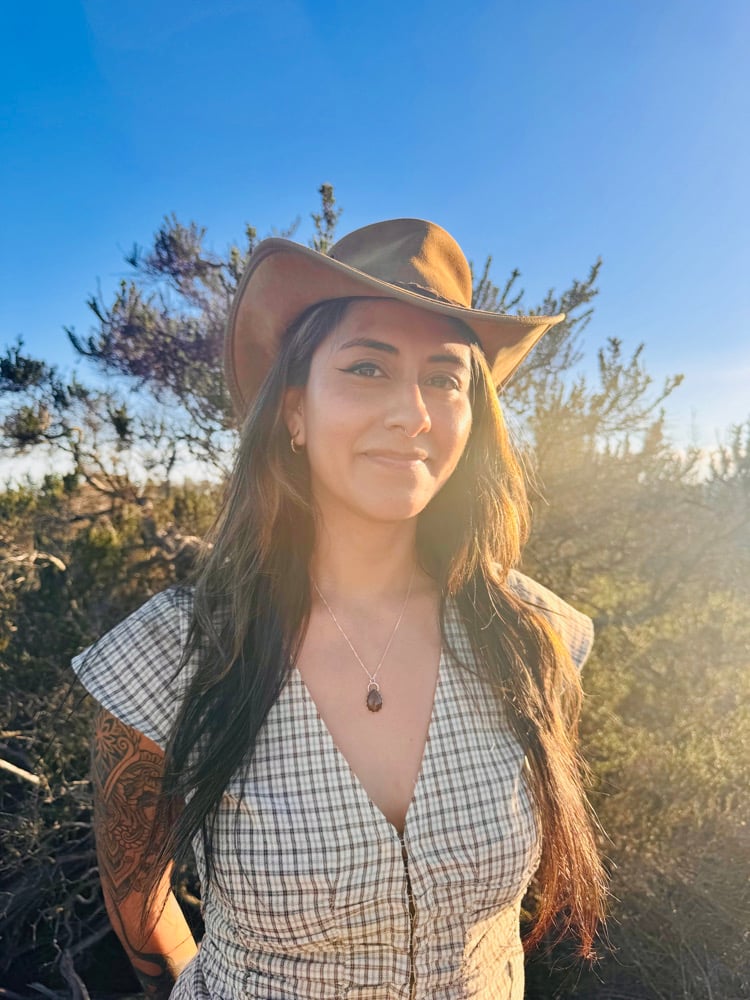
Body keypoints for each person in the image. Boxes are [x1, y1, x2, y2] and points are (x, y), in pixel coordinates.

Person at [73, 218, 606, 999]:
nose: (414, 414)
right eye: (367, 367)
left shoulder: (535, 634)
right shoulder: (173, 651)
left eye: (445, 379)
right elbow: (136, 901)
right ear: (294, 411)